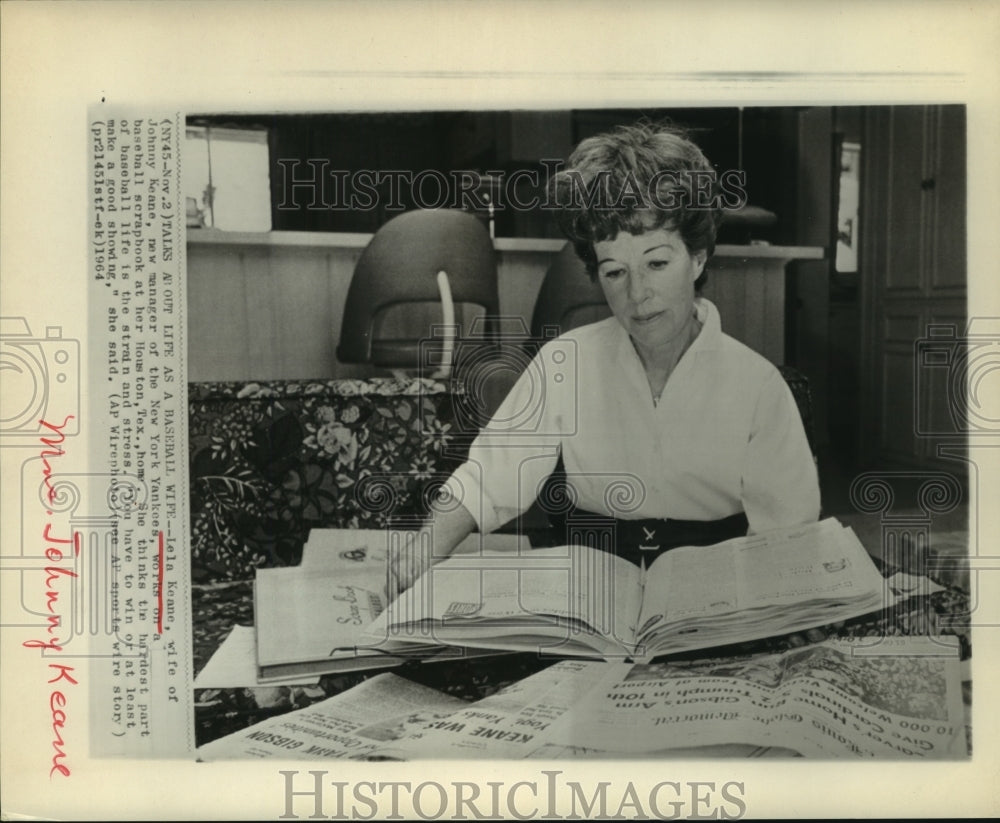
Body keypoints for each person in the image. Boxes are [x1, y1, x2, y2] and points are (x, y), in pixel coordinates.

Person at [389, 122, 820, 593]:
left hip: (715, 588)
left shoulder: (757, 386)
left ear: (697, 258)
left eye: (657, 264)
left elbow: (787, 536)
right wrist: (419, 555)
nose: (639, 295)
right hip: (587, 582)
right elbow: (489, 477)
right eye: (615, 272)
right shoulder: (565, 363)